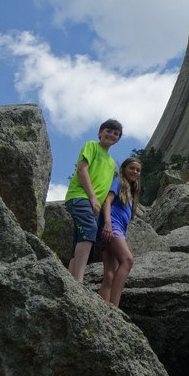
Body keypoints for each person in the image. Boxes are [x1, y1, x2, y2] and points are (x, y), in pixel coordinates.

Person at [65, 118, 123, 283]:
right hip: (81, 197)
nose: (111, 135)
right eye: (108, 131)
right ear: (100, 133)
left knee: (81, 240)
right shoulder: (92, 146)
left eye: (116, 134)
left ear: (118, 140)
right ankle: (79, 281)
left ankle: (69, 281)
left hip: (94, 205)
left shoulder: (112, 164)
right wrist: (92, 197)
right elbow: (82, 170)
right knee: (89, 231)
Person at [97, 156, 142, 306]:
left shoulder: (131, 191)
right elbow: (107, 201)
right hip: (111, 227)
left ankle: (103, 309)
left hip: (116, 230)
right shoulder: (118, 181)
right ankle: (114, 307)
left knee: (110, 275)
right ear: (124, 169)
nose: (135, 172)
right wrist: (108, 223)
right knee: (128, 260)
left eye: (138, 170)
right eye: (132, 168)